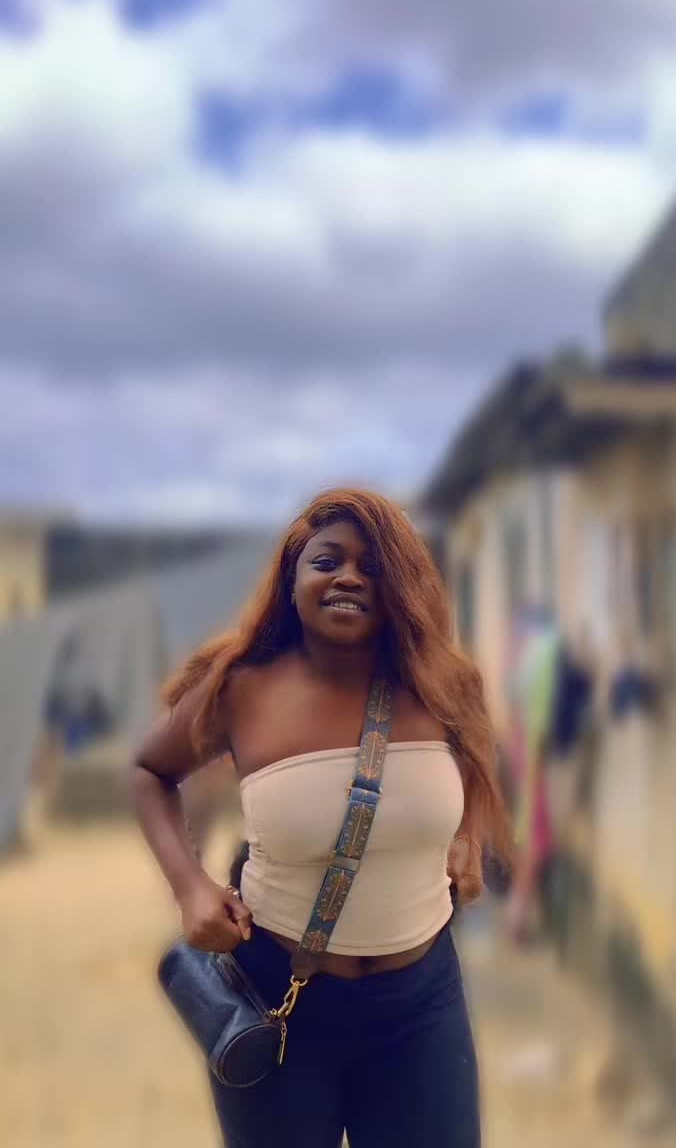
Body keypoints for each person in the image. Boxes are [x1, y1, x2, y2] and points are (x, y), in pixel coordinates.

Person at [131, 488, 511, 1148]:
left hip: (421, 1007)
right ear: (292, 577)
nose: (349, 577)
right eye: (327, 561)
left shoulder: (443, 684)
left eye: (372, 566)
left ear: (399, 585)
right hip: (280, 1001)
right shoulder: (241, 687)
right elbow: (149, 772)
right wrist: (190, 887)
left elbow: (477, 754)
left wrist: (470, 835)